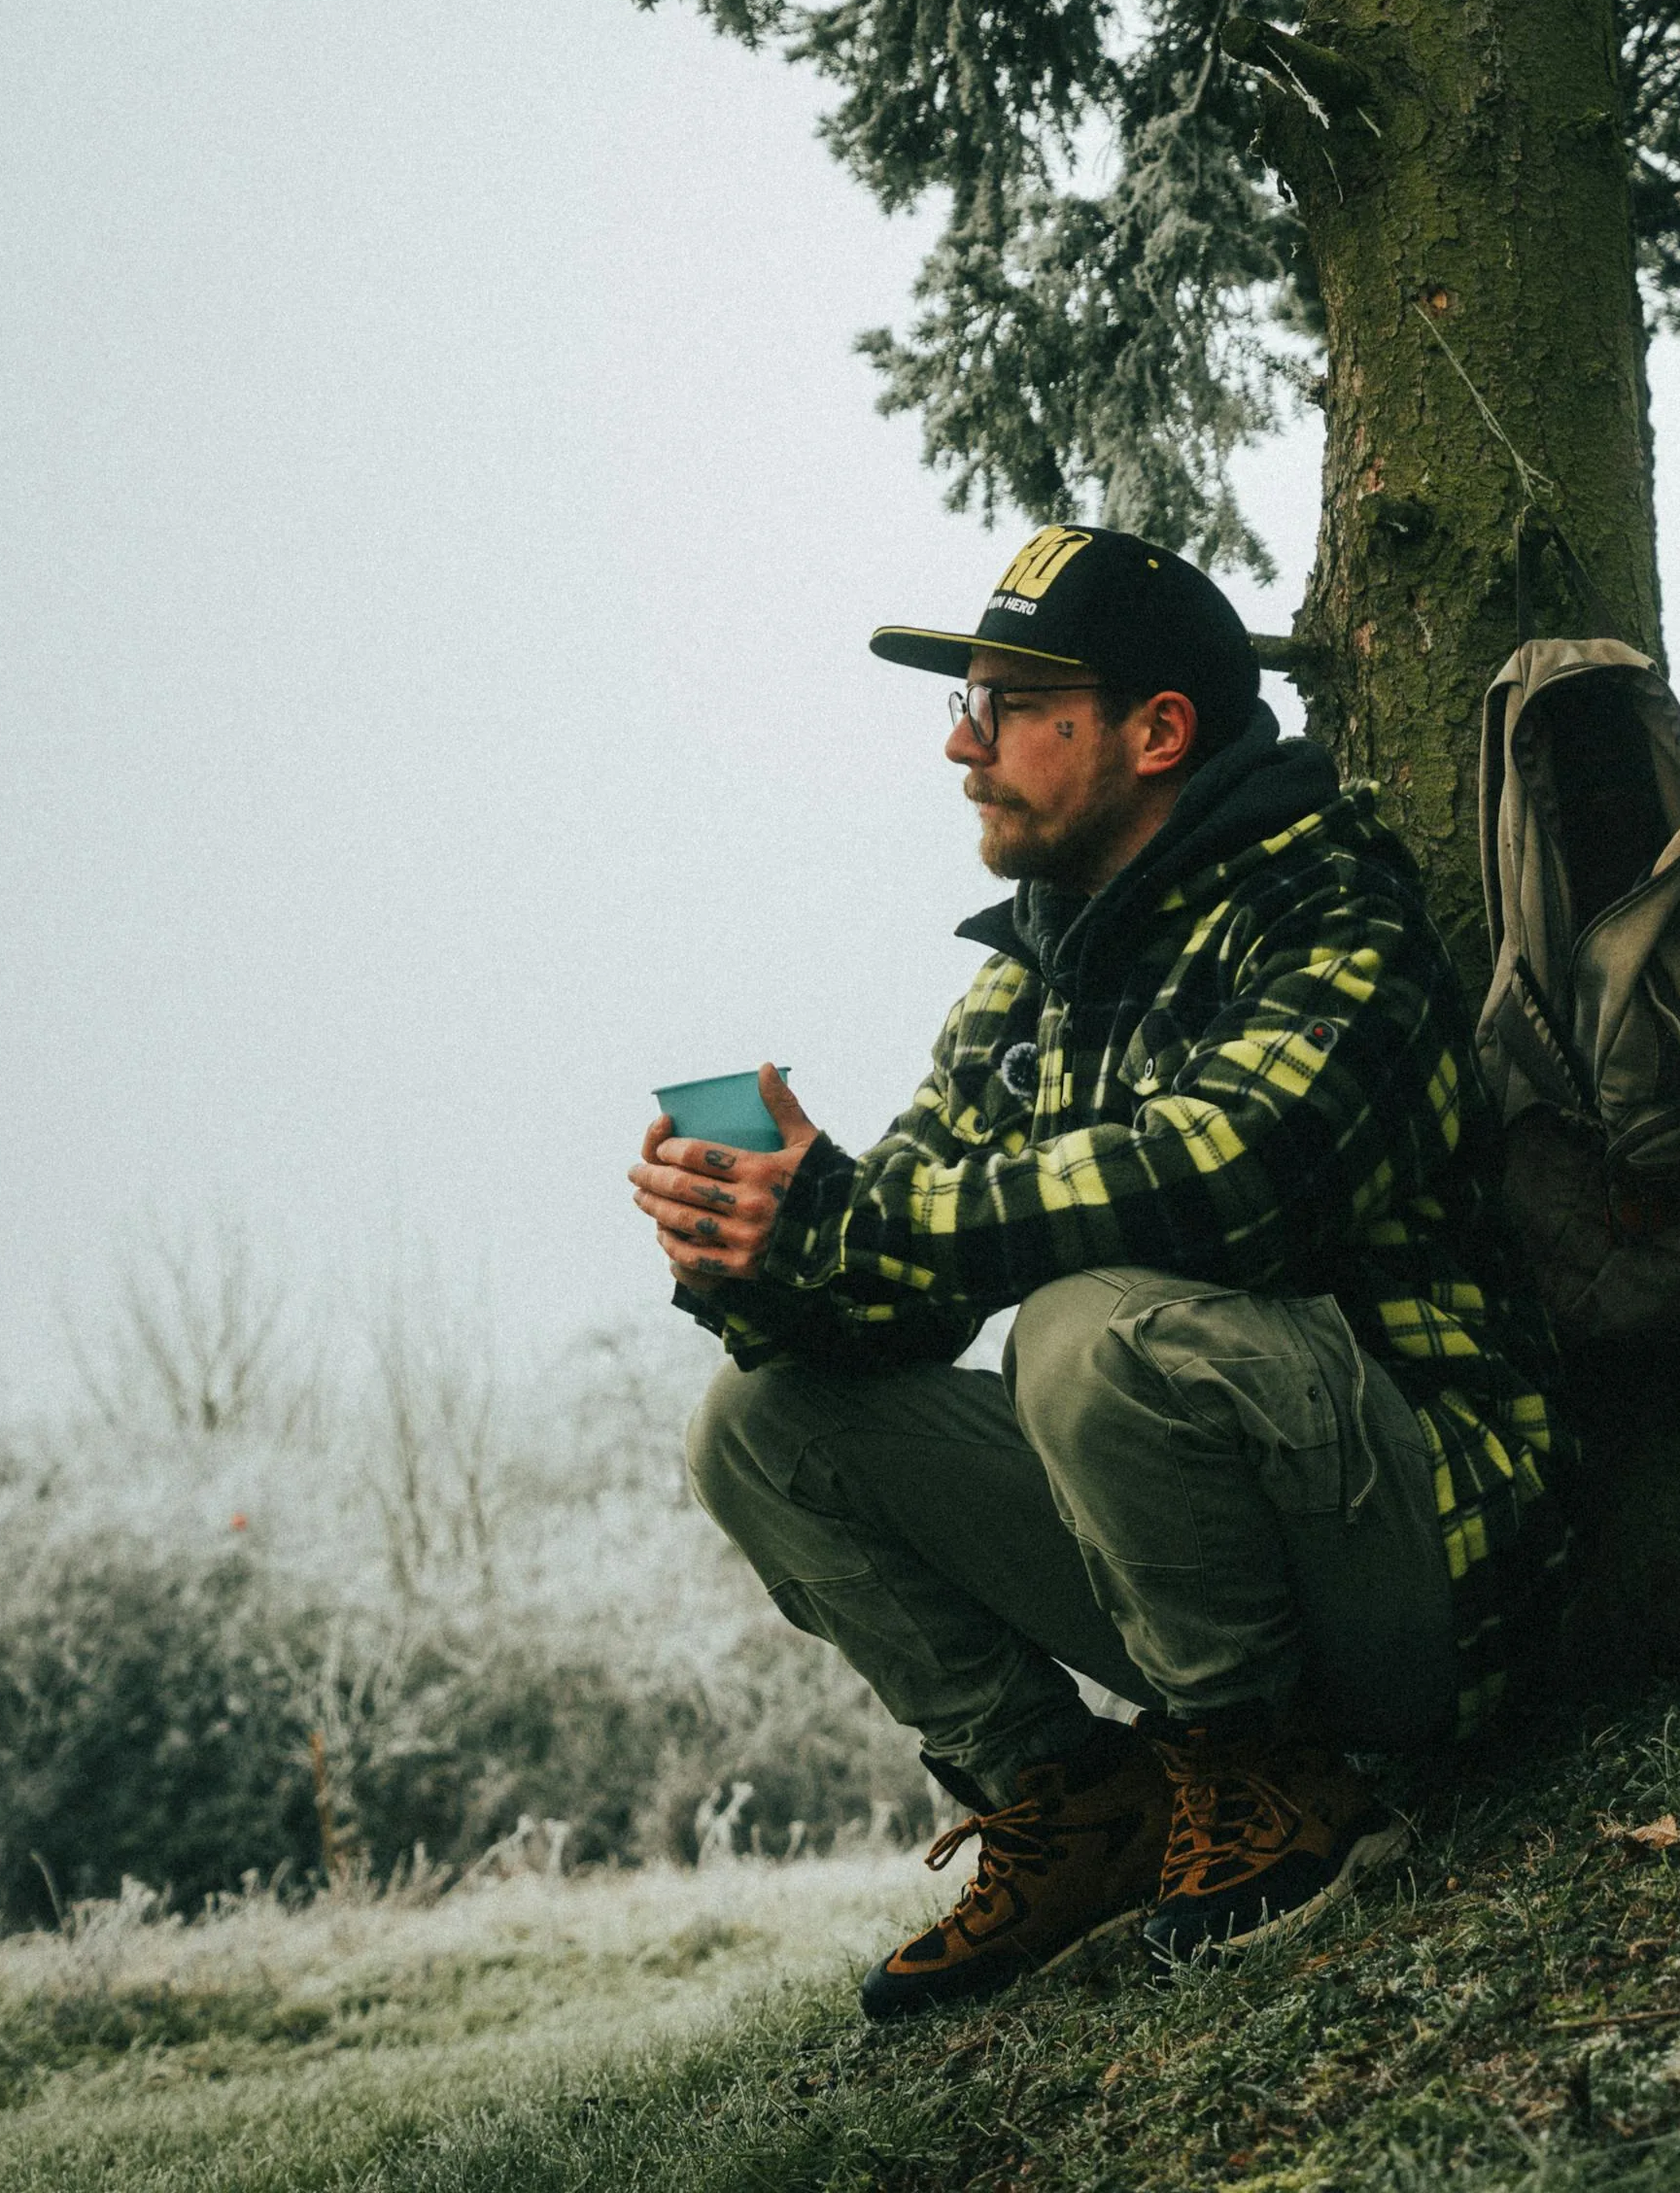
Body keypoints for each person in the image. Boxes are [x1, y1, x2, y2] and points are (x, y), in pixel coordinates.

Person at [627, 525, 1562, 2017]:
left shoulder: (1329, 906)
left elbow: (1230, 1180)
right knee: (762, 1424)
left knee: (1089, 1325)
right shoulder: (1027, 980)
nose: (957, 742)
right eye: (960, 705)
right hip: (1219, 1561)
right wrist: (763, 1247)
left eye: (1002, 707)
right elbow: (911, 1274)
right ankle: (1079, 1806)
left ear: (1157, 732)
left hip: (1426, 1566)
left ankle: (1281, 1785)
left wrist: (861, 1217)